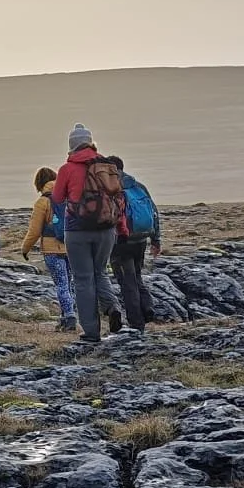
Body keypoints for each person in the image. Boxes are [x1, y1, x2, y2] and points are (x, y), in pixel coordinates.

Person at [51, 125, 124, 345]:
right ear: (90, 141)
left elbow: (56, 197)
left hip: (77, 229)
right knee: (100, 272)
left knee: (83, 279)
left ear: (71, 145)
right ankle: (112, 306)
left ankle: (92, 332)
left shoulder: (67, 169)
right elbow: (118, 198)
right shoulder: (107, 165)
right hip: (106, 229)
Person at [106, 155, 161, 332]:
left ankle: (136, 323)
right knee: (136, 276)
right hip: (141, 239)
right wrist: (155, 239)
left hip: (120, 241)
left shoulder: (111, 188)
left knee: (127, 282)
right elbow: (154, 212)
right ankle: (147, 306)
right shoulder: (138, 186)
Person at [21, 166, 77, 331]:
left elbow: (34, 231)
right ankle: (66, 316)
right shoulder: (69, 197)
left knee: (61, 284)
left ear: (39, 184)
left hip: (52, 250)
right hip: (72, 246)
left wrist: (25, 249)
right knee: (70, 283)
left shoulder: (42, 202)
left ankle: (69, 316)